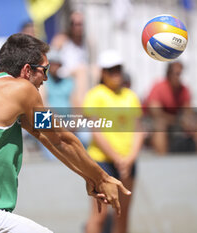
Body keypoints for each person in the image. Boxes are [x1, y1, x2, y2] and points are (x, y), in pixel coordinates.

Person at [0, 33, 131, 233]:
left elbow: (47, 138)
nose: (46, 78)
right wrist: (102, 178)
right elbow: (61, 140)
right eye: (44, 70)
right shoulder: (21, 90)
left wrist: (88, 176)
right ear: (27, 70)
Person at [84, 50, 144, 233]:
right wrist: (118, 158)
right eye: (111, 70)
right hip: (102, 162)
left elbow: (138, 129)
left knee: (122, 213)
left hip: (127, 162)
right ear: (103, 72)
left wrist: (129, 158)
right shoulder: (96, 95)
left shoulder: (130, 95)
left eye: (118, 69)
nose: (116, 73)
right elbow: (97, 132)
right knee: (99, 214)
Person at [143, 61, 197, 155]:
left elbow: (188, 110)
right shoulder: (159, 87)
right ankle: (161, 158)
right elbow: (155, 113)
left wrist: (188, 121)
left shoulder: (184, 89)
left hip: (175, 121)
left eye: (180, 74)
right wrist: (177, 120)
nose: (179, 77)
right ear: (169, 74)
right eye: (177, 74)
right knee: (160, 125)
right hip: (153, 121)